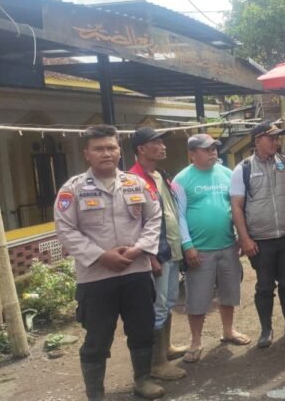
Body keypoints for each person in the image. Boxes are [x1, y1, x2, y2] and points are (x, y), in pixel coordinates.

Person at [54, 124, 165, 400]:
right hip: (96, 278)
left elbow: (154, 218)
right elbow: (65, 229)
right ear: (87, 154)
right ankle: (96, 393)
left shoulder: (135, 183)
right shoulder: (73, 189)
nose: (106, 153)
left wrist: (139, 250)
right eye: (99, 148)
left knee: (141, 329)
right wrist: (101, 255)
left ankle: (142, 379)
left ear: (119, 151)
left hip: (136, 272)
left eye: (111, 147)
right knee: (97, 338)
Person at [230, 122, 285, 348]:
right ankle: (266, 330)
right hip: (260, 241)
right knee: (265, 287)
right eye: (271, 138)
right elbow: (236, 206)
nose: (276, 142)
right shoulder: (244, 169)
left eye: (277, 138)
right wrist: (245, 238)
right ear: (257, 141)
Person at [173, 133, 250, 363]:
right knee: (197, 299)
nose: (213, 153)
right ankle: (196, 342)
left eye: (214, 148)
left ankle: (228, 331)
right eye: (206, 149)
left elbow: (237, 208)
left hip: (228, 245)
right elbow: (179, 217)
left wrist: (240, 236)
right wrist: (188, 246)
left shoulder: (227, 173)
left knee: (229, 292)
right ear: (192, 154)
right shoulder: (181, 180)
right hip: (199, 251)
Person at [129, 127, 188, 381]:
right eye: (157, 142)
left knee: (169, 302)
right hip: (157, 254)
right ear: (141, 149)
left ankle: (166, 348)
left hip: (171, 249)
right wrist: (150, 255)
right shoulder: (133, 180)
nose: (163, 146)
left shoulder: (159, 175)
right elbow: (135, 223)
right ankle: (157, 364)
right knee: (159, 306)